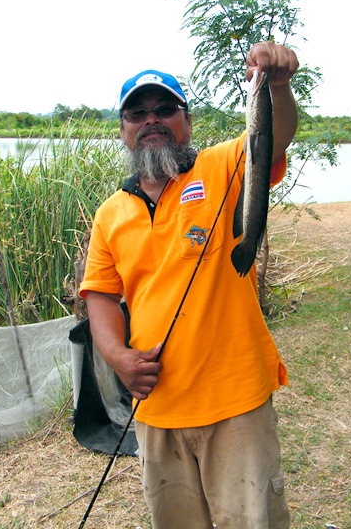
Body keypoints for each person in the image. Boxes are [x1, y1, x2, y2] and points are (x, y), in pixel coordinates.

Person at [79, 42, 299, 528]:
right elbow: (100, 296)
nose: (151, 119)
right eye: (137, 113)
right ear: (123, 130)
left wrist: (276, 87)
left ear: (187, 120)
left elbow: (273, 139)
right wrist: (118, 358)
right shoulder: (109, 214)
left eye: (164, 109)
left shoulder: (222, 166)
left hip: (236, 404)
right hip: (157, 409)